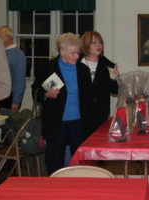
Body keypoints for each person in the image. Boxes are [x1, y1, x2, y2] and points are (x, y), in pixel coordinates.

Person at [32, 33, 93, 175]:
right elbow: (36, 90)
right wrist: (46, 95)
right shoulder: (47, 68)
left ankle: (76, 189)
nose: (77, 56)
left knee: (78, 161)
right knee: (55, 160)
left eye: (78, 53)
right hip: (55, 122)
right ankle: (55, 190)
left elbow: (88, 97)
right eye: (73, 53)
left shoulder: (83, 70)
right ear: (62, 52)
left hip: (78, 122)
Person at [80, 31, 119, 132]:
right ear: (86, 45)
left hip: (101, 117)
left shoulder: (107, 66)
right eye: (94, 42)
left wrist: (115, 78)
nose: (98, 45)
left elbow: (115, 91)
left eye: (100, 42)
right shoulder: (77, 65)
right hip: (81, 116)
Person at [0, 26, 26, 112]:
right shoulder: (1, 53)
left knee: (7, 124)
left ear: (7, 37)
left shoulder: (18, 55)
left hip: (10, 98)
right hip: (1, 95)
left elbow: (20, 81)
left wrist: (16, 102)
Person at [0, 35, 11, 104]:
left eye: (1, 34)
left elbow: (19, 80)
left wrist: (16, 101)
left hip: (8, 94)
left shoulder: (18, 54)